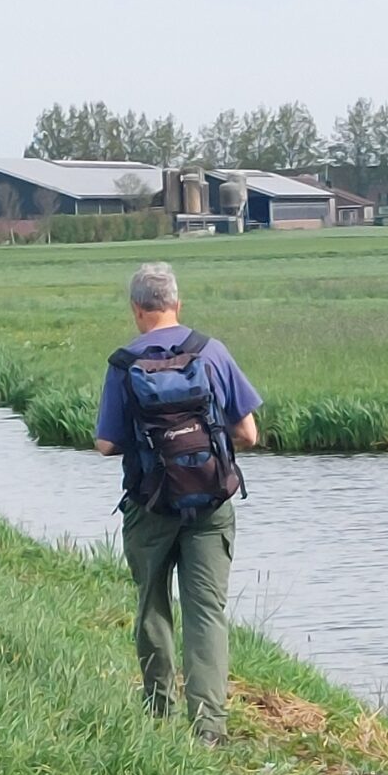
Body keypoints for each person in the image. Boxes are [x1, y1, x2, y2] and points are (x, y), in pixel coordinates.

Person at [92, 262, 263, 746]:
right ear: (177, 304)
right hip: (211, 503)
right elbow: (248, 433)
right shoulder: (211, 351)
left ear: (136, 309)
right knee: (207, 612)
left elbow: (106, 444)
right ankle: (209, 727)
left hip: (150, 505)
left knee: (152, 607)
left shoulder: (123, 363)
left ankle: (158, 713)